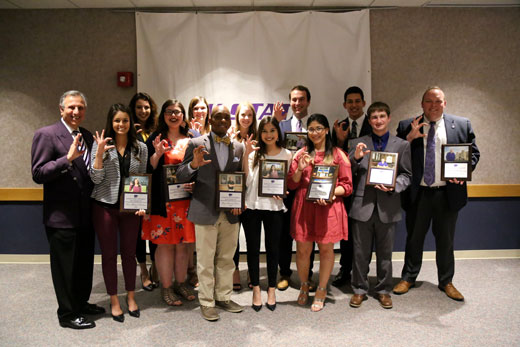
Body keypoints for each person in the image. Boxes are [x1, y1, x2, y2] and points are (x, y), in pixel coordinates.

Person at [393, 87, 480, 301]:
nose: (433, 105)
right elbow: (395, 154)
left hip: (447, 193)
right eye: (429, 101)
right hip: (418, 193)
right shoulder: (407, 125)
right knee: (414, 238)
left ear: (445, 103)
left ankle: (446, 281)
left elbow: (473, 153)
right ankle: (408, 277)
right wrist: (409, 138)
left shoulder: (461, 124)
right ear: (422, 104)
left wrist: (465, 171)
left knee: (445, 240)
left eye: (438, 101)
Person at [31, 90, 104, 329]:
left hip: (85, 214)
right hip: (61, 217)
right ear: (61, 109)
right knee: (64, 270)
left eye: (80, 108)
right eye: (71, 107)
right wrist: (67, 159)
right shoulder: (46, 134)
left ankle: (81, 304)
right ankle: (67, 314)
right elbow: (38, 173)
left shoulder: (86, 136)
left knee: (83, 265)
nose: (76, 112)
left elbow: (91, 174)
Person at [176, 105, 245, 321]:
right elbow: (180, 176)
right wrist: (193, 166)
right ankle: (206, 301)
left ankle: (223, 297)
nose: (222, 120)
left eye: (226, 117)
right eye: (218, 117)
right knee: (205, 260)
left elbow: (241, 177)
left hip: (230, 211)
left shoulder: (239, 147)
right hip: (205, 208)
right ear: (210, 119)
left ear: (230, 120)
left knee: (226, 258)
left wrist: (240, 201)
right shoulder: (196, 144)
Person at [347, 102, 412, 309]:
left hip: (388, 206)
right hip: (362, 206)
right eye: (374, 117)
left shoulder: (402, 145)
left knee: (385, 253)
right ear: (369, 120)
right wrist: (356, 158)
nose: (378, 121)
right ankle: (359, 289)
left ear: (389, 118)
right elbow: (347, 171)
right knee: (359, 253)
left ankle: (384, 290)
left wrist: (394, 186)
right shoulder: (357, 143)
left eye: (382, 116)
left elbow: (407, 175)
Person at [287, 113, 353, 312]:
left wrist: (332, 193)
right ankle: (305, 284)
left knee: (326, 250)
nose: (314, 133)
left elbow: (347, 186)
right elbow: (291, 183)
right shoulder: (300, 154)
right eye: (311, 129)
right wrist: (300, 169)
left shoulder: (338, 154)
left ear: (326, 130)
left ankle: (322, 289)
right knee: (303, 250)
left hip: (328, 208)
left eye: (318, 128)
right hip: (304, 208)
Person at [90, 103, 148, 322]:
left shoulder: (140, 147)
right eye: (117, 121)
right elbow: (95, 179)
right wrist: (99, 155)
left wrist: (143, 203)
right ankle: (114, 299)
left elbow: (141, 177)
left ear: (129, 122)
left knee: (129, 254)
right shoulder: (101, 145)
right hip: (104, 206)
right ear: (110, 123)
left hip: (131, 209)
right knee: (108, 255)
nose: (121, 124)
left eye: (124, 120)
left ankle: (131, 297)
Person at [142, 99, 197, 306]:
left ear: (183, 116)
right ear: (163, 116)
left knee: (183, 247)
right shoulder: (155, 139)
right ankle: (166, 287)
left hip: (185, 202)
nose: (173, 115)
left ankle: (181, 283)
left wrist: (195, 183)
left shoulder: (191, 140)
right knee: (165, 246)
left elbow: (197, 168)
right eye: (169, 112)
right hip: (162, 203)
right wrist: (157, 154)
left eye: (177, 112)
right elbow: (147, 169)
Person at [242, 116, 292, 312]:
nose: (268, 135)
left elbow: (288, 182)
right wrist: (246, 155)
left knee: (273, 249)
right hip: (252, 207)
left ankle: (271, 289)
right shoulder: (254, 154)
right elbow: (247, 183)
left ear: (278, 132)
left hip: (275, 208)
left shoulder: (287, 154)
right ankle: (256, 289)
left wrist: (284, 190)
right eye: (265, 131)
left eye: (272, 130)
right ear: (259, 133)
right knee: (253, 250)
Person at [274, 85, 316, 292]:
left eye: (301, 99)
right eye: (294, 100)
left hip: (308, 187)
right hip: (285, 188)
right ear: (290, 102)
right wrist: (275, 120)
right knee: (284, 233)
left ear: (308, 101)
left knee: (309, 233)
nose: (297, 103)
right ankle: (284, 273)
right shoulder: (281, 126)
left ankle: (307, 274)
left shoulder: (315, 125)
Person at [331, 86, 372, 287]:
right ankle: (345, 270)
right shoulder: (340, 126)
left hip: (367, 186)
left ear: (364, 103)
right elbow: (333, 158)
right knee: (346, 233)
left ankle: (362, 272)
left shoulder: (373, 124)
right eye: (350, 102)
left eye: (357, 101)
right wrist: (340, 139)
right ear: (344, 105)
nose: (354, 105)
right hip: (345, 188)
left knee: (364, 233)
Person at [129, 92, 159, 291]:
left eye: (146, 107)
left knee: (156, 228)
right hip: (136, 185)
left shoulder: (157, 130)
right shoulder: (127, 128)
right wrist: (130, 134)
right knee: (139, 231)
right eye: (139, 107)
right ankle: (143, 270)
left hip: (156, 185)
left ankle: (156, 266)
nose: (143, 111)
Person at [230, 102, 258, 291]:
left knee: (252, 238)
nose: (246, 118)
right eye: (243, 115)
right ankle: (235, 271)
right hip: (232, 195)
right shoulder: (230, 138)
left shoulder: (259, 138)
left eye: (249, 115)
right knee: (233, 238)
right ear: (237, 117)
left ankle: (252, 271)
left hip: (251, 196)